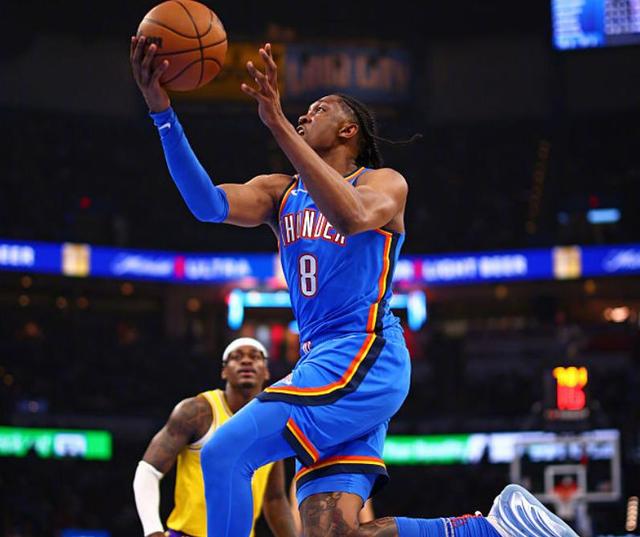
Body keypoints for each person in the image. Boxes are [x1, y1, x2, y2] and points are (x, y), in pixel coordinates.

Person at [130, 37, 578, 537]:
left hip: (363, 354)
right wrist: (162, 112)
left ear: (348, 130)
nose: (304, 115)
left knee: (223, 453)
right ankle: (491, 530)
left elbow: (351, 216)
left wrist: (277, 123)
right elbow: (206, 205)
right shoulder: (280, 193)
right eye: (301, 113)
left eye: (318, 109)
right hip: (323, 359)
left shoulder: (383, 183)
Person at [132, 337, 297, 537]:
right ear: (224, 370)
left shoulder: (272, 423)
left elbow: (275, 499)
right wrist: (152, 530)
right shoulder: (197, 411)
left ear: (266, 371)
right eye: (237, 357)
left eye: (255, 357)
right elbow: (148, 470)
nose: (246, 361)